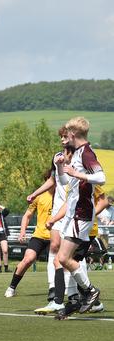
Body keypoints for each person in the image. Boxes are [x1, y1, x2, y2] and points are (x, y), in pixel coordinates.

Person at [54, 116, 105, 314]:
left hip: (81, 213)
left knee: (64, 258)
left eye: (66, 133)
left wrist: (78, 174)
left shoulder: (87, 153)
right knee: (68, 259)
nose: (64, 136)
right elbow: (67, 182)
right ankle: (79, 298)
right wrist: (60, 167)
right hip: (74, 213)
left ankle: (90, 292)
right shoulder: (77, 153)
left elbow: (101, 177)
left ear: (72, 134)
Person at [27, 126, 72, 310]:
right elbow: (53, 180)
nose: (62, 140)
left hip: (71, 211)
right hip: (58, 211)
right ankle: (54, 289)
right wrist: (34, 193)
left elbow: (68, 184)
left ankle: (79, 292)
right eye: (60, 137)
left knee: (69, 255)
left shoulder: (78, 159)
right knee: (55, 249)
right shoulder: (57, 157)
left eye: (65, 137)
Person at [4, 172, 53, 298]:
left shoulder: (63, 195)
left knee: (61, 262)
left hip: (57, 236)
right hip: (40, 235)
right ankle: (12, 287)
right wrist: (22, 232)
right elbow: (27, 215)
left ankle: (66, 290)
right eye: (50, 179)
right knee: (28, 259)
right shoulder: (39, 195)